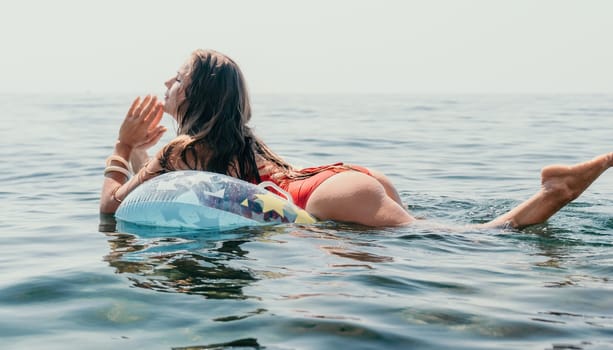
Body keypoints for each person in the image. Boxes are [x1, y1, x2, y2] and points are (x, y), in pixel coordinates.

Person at [99, 49, 613, 229]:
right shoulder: (231, 138)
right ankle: (550, 194)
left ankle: (554, 192)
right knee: (433, 228)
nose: (166, 83)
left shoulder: (177, 152)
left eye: (177, 79)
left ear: (197, 95)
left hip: (322, 198)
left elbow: (111, 210)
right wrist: (144, 149)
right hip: (337, 180)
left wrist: (123, 147)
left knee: (460, 240)